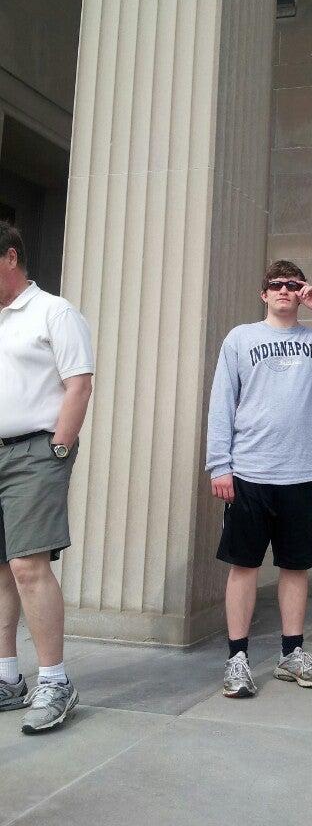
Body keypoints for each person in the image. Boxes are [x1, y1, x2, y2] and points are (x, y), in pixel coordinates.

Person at [206, 259, 312, 697]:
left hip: (299, 472)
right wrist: (220, 464)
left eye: (292, 285)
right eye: (276, 285)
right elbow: (222, 401)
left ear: (301, 292)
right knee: (244, 565)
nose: (284, 291)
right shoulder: (241, 338)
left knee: (295, 566)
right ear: (264, 293)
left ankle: (291, 653)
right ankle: (237, 658)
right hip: (250, 472)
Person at [0, 222, 94, 733]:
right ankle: (7, 679)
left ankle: (55, 681)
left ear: (10, 257)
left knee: (28, 566)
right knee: (1, 567)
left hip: (36, 451)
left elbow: (79, 383)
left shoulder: (53, 311)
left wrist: (58, 447)